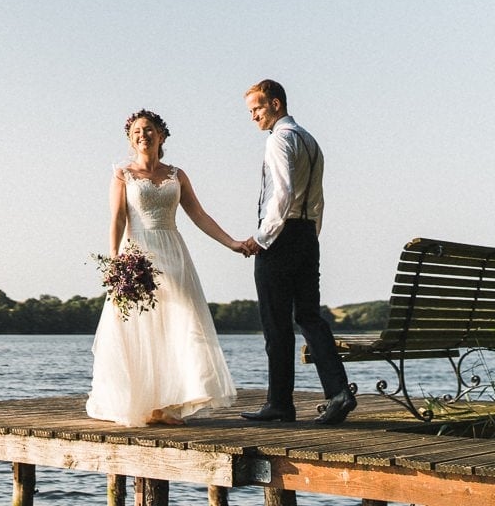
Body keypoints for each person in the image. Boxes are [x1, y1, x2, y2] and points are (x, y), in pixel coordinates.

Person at [86, 109, 243, 427]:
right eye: (136, 132)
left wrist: (233, 243)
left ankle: (167, 405)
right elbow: (117, 218)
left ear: (161, 135)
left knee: (181, 321)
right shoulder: (122, 174)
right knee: (140, 328)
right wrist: (116, 262)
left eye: (149, 130)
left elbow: (199, 215)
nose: (143, 135)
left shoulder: (177, 174)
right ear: (131, 140)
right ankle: (142, 404)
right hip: (137, 255)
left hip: (173, 252)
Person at [239, 80, 356, 425]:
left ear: (276, 104)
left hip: (281, 237)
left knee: (276, 325)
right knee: (309, 317)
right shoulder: (311, 141)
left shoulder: (278, 140)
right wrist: (311, 235)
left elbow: (282, 194)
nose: (254, 117)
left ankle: (280, 404)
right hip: (307, 236)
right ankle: (338, 392)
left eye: (257, 108)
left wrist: (263, 238)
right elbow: (317, 199)